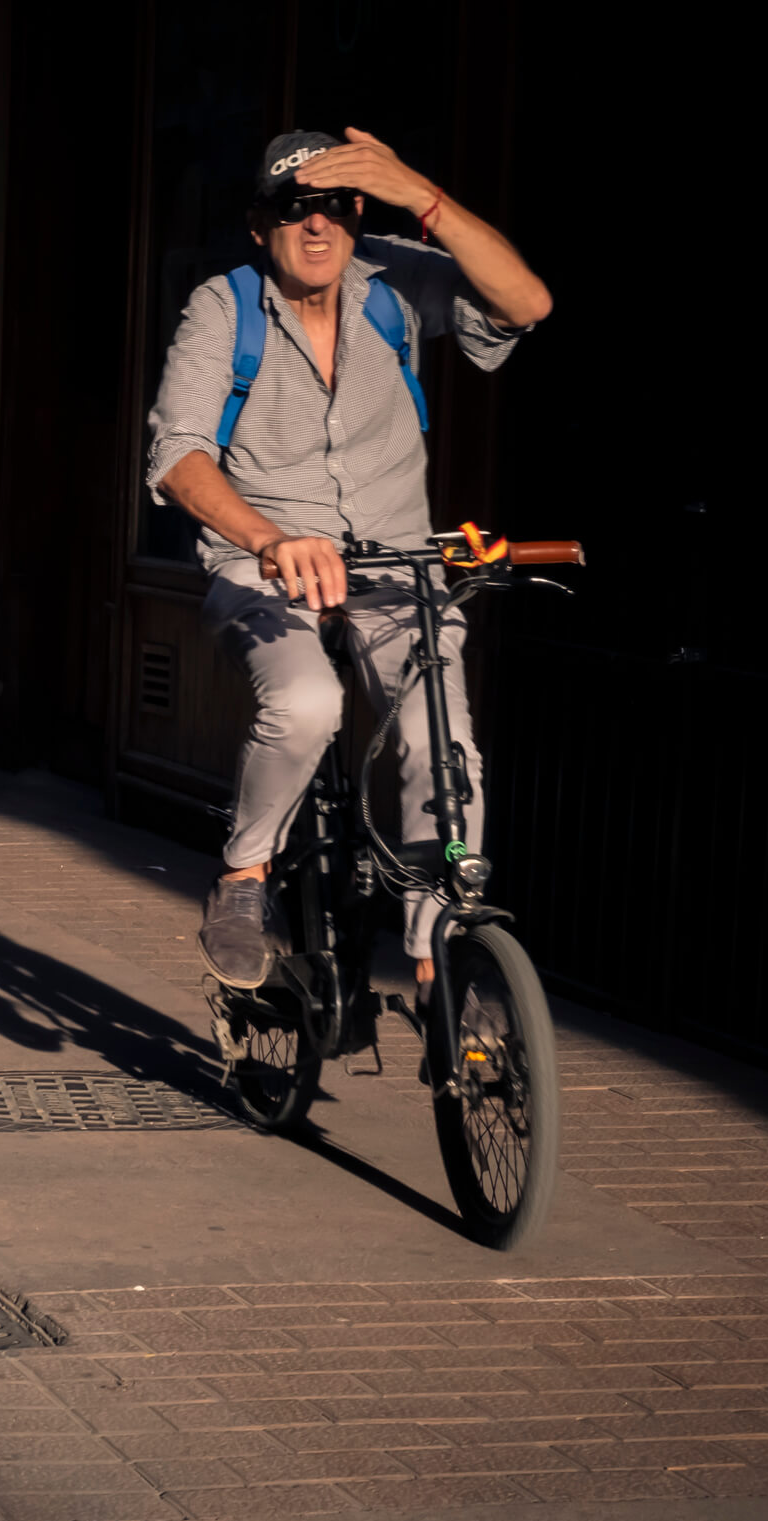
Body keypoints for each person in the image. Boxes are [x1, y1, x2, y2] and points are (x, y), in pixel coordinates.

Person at [148, 127, 550, 994]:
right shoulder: (225, 306)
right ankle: (245, 877)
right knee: (306, 701)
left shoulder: (394, 280)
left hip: (397, 566)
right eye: (296, 210)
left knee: (438, 737)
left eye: (335, 206)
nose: (318, 225)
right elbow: (179, 454)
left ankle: (438, 954)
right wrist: (270, 539)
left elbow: (526, 305)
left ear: (358, 216)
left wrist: (423, 193)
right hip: (267, 566)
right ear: (262, 225)